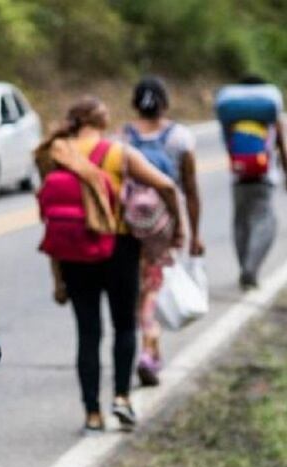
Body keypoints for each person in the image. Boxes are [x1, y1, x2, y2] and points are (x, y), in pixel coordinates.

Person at [37, 97, 183, 433]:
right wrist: (177, 228)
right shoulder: (119, 153)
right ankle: (121, 399)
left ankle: (91, 414)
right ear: (102, 121)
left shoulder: (54, 152)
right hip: (119, 247)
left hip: (73, 251)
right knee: (124, 327)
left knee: (87, 333)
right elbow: (166, 185)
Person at [124, 77, 205, 386]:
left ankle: (149, 347)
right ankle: (149, 348)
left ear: (135, 103)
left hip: (129, 223)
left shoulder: (124, 138)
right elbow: (191, 190)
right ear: (166, 103)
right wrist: (192, 233)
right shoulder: (181, 138)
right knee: (154, 287)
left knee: (138, 287)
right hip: (162, 225)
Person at [219, 76, 287, 289]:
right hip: (264, 178)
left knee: (241, 223)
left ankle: (245, 267)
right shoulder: (268, 113)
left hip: (238, 178)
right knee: (266, 222)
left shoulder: (231, 115)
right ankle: (251, 268)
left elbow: (227, 145)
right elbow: (281, 145)